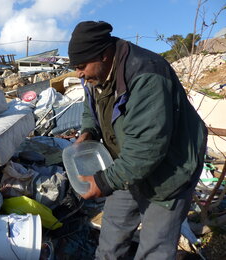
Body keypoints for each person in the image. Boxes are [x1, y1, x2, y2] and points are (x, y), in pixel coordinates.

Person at [68, 21, 207, 260]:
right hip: (127, 166)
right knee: (111, 238)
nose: (79, 74)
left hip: (170, 172)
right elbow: (90, 106)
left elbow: (146, 149)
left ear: (103, 55)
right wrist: (88, 130)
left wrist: (102, 181)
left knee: (154, 248)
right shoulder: (94, 76)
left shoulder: (146, 74)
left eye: (81, 67)